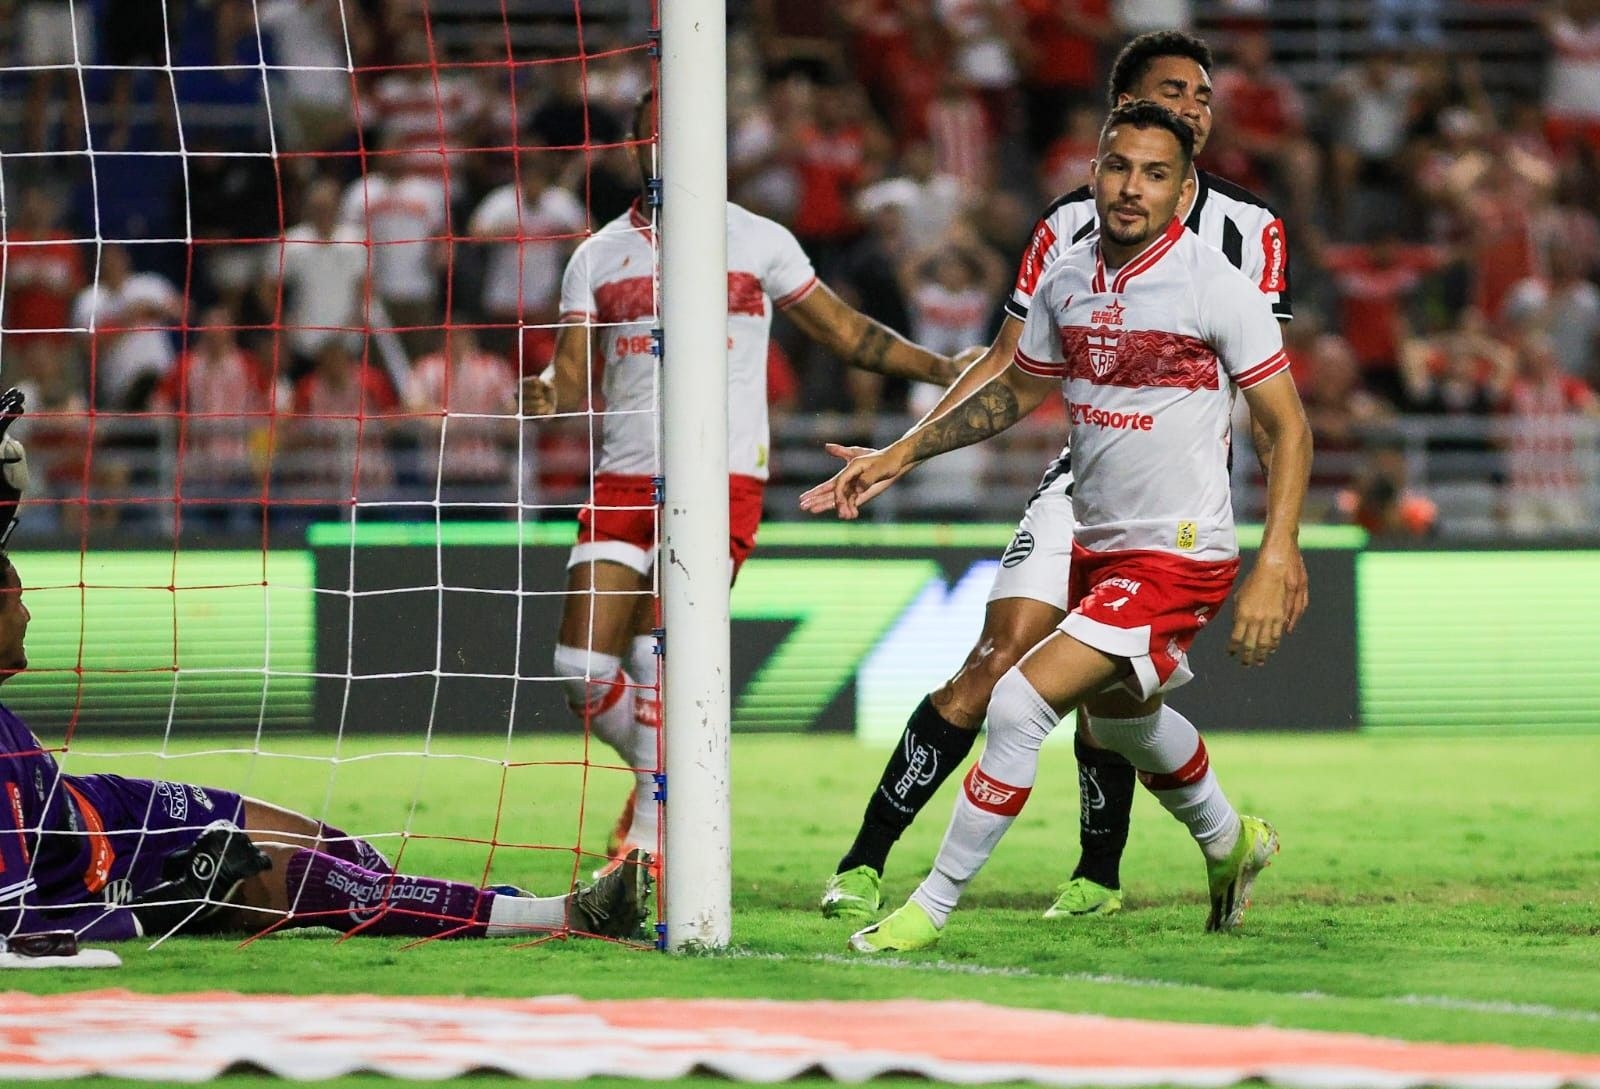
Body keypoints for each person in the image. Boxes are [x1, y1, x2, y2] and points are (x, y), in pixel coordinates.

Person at [805, 29, 1300, 924]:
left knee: (1047, 696)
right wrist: (903, 450)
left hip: (1180, 505)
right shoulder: (1067, 237)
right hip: (1082, 484)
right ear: (1117, 118)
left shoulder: (1247, 237)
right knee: (1029, 676)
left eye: (1202, 96)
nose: (1193, 107)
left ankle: (1057, 882)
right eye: (1172, 91)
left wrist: (1279, 546)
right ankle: (866, 861)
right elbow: (1011, 371)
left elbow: (1271, 403)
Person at [522, 90, 963, 872]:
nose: (668, 146)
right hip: (622, 476)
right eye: (653, 135)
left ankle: (648, 849)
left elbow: (846, 333)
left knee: (658, 653)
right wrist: (546, 392)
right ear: (633, 148)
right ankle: (661, 776)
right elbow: (569, 372)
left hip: (719, 476)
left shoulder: (758, 240)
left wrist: (941, 368)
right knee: (581, 671)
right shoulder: (597, 255)